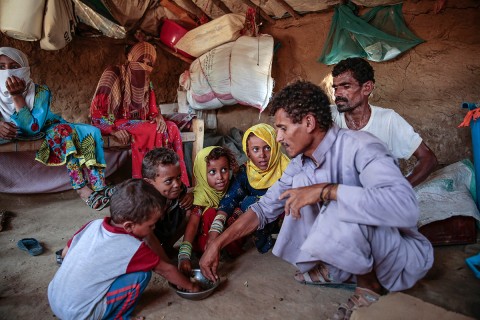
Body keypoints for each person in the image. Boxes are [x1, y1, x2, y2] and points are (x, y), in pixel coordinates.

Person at [199, 81, 433, 319]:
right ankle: (337, 268)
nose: (278, 138)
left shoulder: (361, 147)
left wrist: (326, 190)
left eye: (283, 128)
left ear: (309, 123)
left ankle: (369, 289)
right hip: (363, 250)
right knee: (300, 186)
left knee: (328, 195)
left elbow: (405, 206)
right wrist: (217, 243)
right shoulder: (300, 163)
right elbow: (264, 209)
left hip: (397, 256)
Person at [48, 179, 200, 320]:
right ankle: (119, 317)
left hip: (54, 296)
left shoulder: (93, 225)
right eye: (150, 225)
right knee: (141, 275)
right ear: (128, 226)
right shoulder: (132, 247)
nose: (153, 229)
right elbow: (166, 270)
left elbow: (65, 253)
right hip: (79, 314)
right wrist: (191, 286)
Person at [0, 47, 113, 210]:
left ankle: (98, 184)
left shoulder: (40, 92)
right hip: (7, 135)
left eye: (14, 66)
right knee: (67, 132)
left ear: (25, 68)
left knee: (88, 131)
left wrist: (17, 97)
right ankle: (82, 188)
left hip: (44, 129)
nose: (8, 72)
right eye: (1, 67)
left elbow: (32, 128)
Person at [90, 41, 189, 186]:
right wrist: (113, 130)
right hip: (112, 122)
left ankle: (179, 184)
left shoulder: (147, 82)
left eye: (149, 64)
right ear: (130, 57)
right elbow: (97, 113)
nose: (144, 66)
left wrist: (158, 117)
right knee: (149, 129)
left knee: (172, 128)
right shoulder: (113, 73)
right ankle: (146, 183)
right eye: (141, 60)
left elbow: (153, 110)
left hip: (140, 123)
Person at [330, 57, 437, 187]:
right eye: (335, 88)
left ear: (367, 88)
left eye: (346, 86)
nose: (337, 93)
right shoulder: (327, 116)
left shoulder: (388, 120)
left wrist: (401, 188)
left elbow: (428, 158)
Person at [209, 123, 290, 254]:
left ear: (275, 147)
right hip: (256, 219)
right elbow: (230, 199)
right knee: (240, 205)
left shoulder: (288, 169)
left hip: (283, 220)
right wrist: (214, 232)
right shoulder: (246, 171)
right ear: (248, 152)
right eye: (256, 149)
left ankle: (279, 240)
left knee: (250, 202)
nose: (262, 155)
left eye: (267, 148)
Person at [178, 146, 238, 276]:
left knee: (238, 211)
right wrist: (184, 255)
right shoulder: (201, 196)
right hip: (205, 242)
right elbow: (193, 225)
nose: (220, 177)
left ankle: (228, 250)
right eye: (212, 172)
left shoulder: (234, 188)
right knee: (210, 212)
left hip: (224, 239)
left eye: (224, 170)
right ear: (201, 173)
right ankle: (208, 252)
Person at [142, 147, 194, 258]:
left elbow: (185, 190)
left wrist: (190, 196)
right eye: (168, 180)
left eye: (179, 177)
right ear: (149, 183)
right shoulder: (141, 202)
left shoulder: (180, 191)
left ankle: (167, 246)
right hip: (144, 240)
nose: (177, 184)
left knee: (192, 211)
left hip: (166, 230)